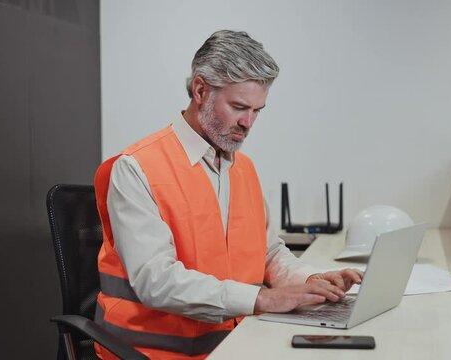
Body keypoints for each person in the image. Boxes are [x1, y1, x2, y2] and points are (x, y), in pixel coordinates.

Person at [93, 30, 363, 360]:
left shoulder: (242, 168)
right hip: (154, 353)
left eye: (257, 110)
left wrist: (311, 280)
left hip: (238, 344)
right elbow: (155, 280)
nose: (248, 123)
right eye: (238, 107)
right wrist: (261, 299)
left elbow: (267, 253)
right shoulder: (135, 168)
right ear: (200, 90)